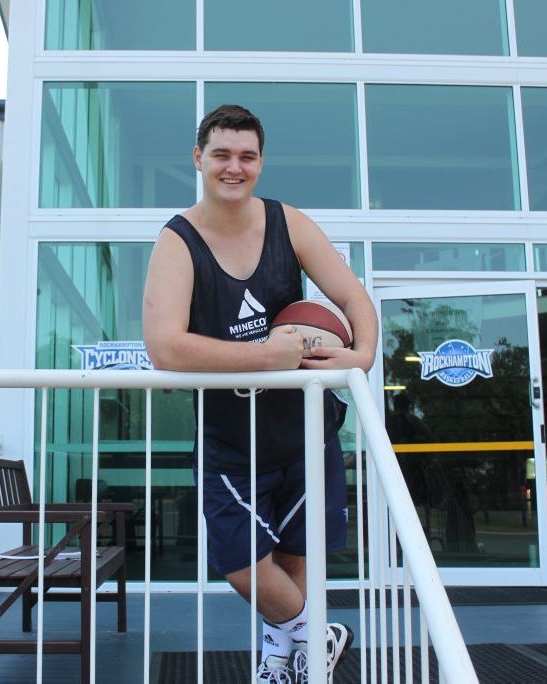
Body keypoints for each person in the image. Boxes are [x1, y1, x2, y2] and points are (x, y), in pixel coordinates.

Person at [143, 104, 377, 683]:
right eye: (221, 154)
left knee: (295, 559)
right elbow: (165, 346)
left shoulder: (288, 223)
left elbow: (354, 299)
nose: (234, 167)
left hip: (303, 430)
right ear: (199, 159)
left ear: (260, 162)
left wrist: (363, 356)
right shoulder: (178, 241)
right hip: (230, 439)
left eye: (247, 156)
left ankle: (285, 660)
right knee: (243, 566)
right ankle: (317, 631)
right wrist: (267, 357)